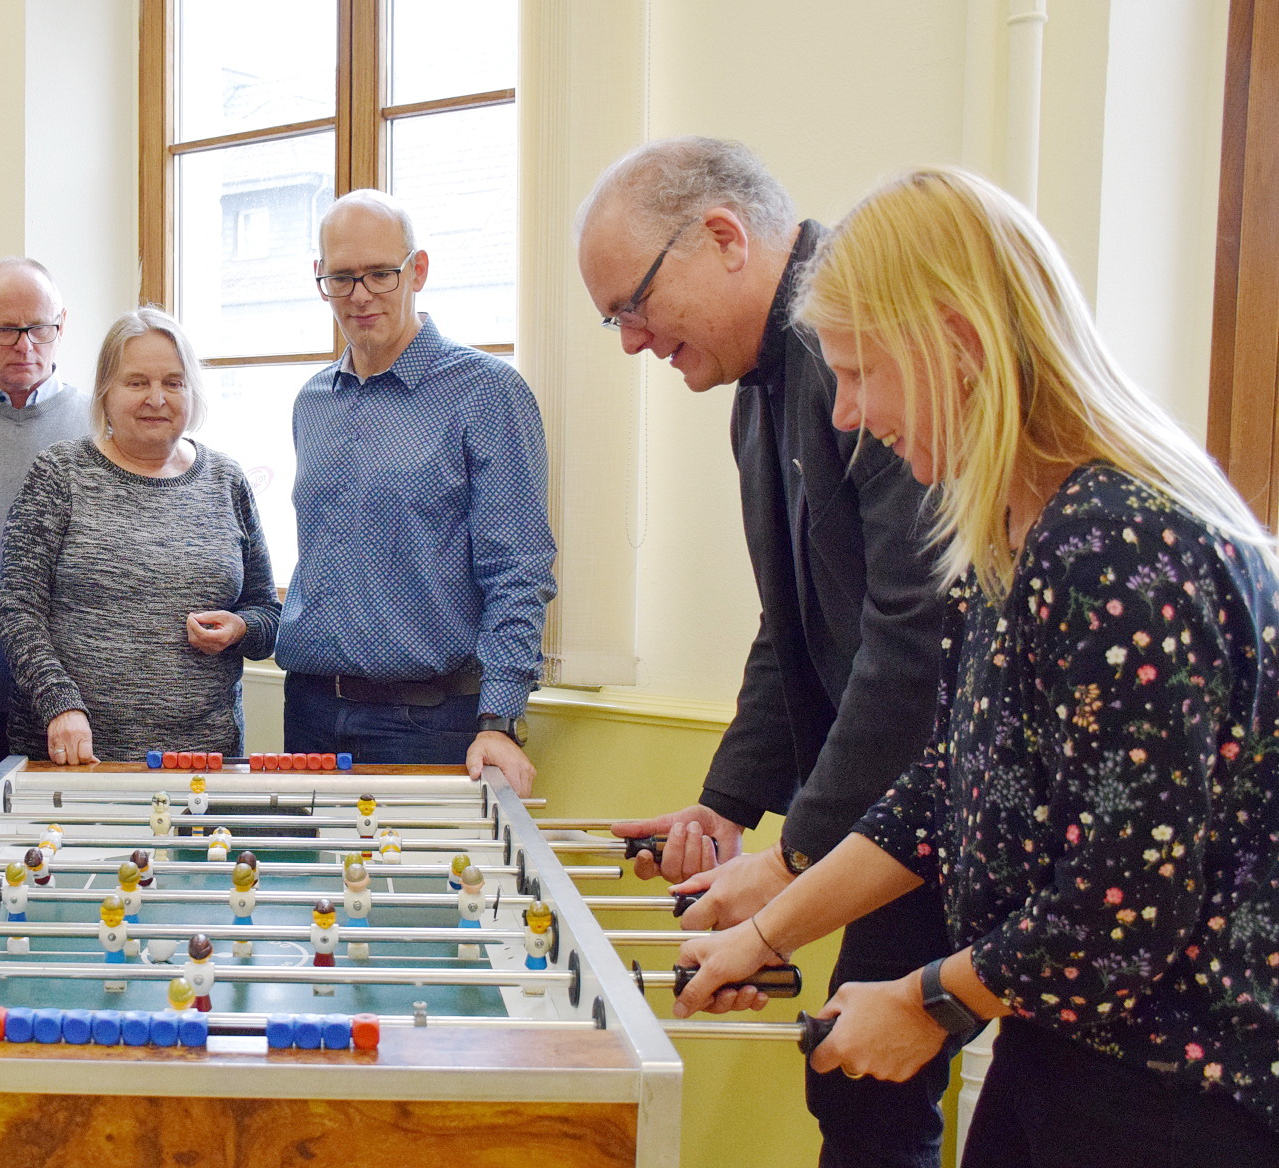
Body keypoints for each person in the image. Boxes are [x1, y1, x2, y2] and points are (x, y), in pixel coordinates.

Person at [678, 166, 1279, 1166]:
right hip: (1066, 1047)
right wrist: (767, 931)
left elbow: (1119, 907)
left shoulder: (1115, 541)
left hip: (1181, 1086)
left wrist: (927, 1003)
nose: (844, 415)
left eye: (862, 374)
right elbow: (941, 787)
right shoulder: (1006, 531)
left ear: (959, 345)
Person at [574, 138, 956, 1167]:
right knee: (852, 1082)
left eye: (632, 306)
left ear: (722, 238)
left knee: (879, 1094)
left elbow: (912, 642)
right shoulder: (760, 386)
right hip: (900, 803)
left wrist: (791, 865)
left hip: (947, 805)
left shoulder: (866, 342)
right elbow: (790, 625)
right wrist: (728, 804)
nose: (629, 340)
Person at [275, 189, 554, 795]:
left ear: (418, 270)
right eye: (342, 278)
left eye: (380, 274)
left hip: (429, 722)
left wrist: (499, 719)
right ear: (320, 279)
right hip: (311, 711)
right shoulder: (312, 402)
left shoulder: (486, 393)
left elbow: (520, 569)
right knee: (312, 887)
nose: (361, 295)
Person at [0, 307, 279, 764]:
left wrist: (241, 628)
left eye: (173, 382)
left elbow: (267, 613)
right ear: (105, 392)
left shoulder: (226, 479)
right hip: (76, 758)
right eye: (137, 382)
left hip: (202, 761)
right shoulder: (60, 473)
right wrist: (59, 704)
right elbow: (17, 610)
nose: (157, 398)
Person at [0, 258, 92, 765]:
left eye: (41, 329)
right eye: (6, 330)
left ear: (62, 325)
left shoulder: (104, 427)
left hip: (75, 696)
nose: (26, 346)